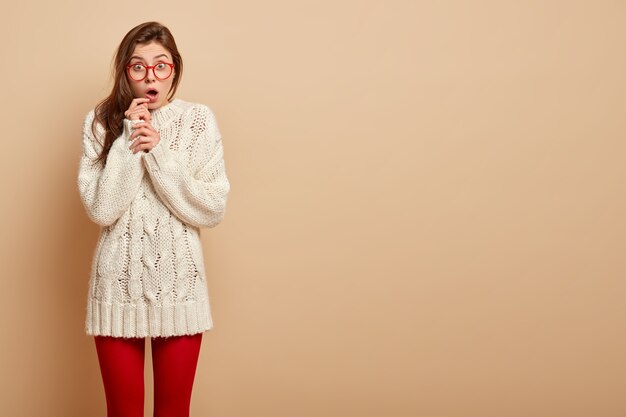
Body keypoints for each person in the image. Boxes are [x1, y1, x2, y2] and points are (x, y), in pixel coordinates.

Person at [77, 21, 230, 417]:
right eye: (138, 66)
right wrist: (130, 141)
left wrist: (160, 152)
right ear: (125, 72)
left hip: (180, 288)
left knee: (174, 413)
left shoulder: (198, 121)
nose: (150, 77)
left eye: (161, 66)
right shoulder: (100, 121)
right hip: (116, 290)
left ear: (175, 69)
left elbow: (212, 207)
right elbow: (102, 209)